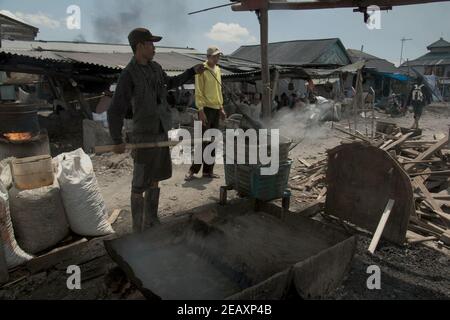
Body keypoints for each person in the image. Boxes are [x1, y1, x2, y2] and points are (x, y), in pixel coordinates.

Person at [107, 28, 204, 233]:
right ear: (140, 46)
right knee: (139, 182)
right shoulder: (128, 74)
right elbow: (116, 108)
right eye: (151, 44)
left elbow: (171, 83)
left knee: (155, 178)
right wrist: (116, 139)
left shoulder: (156, 68)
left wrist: (191, 72)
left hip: (161, 131)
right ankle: (137, 228)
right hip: (143, 134)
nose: (154, 48)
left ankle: (151, 219)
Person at [185, 46, 227, 181]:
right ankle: (193, 170)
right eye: (214, 56)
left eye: (218, 56)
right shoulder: (201, 69)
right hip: (206, 109)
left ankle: (208, 171)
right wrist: (201, 110)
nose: (217, 58)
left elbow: (218, 90)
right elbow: (199, 91)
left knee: (213, 140)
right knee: (203, 140)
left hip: (215, 108)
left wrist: (221, 107)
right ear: (208, 56)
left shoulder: (218, 69)